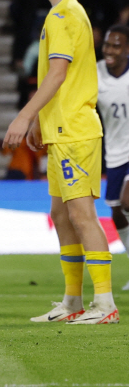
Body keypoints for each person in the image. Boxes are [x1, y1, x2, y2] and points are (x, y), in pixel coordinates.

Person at [3, 0, 118, 324]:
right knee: (62, 213)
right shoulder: (63, 14)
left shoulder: (64, 16)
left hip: (75, 131)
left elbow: (58, 73)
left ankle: (105, 304)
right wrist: (40, 120)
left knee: (82, 214)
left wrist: (23, 116)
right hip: (60, 129)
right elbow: (57, 80)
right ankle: (72, 301)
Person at [96, 24, 129, 290]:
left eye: (116, 46)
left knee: (128, 201)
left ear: (127, 50)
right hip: (115, 152)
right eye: (108, 44)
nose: (110, 50)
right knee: (117, 213)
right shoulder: (95, 73)